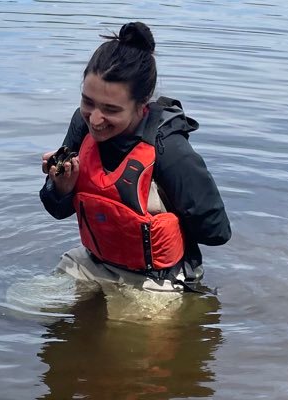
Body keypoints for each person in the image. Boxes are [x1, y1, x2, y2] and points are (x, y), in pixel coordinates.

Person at [40, 21, 231, 297]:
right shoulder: (82, 127)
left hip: (157, 279)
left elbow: (217, 231)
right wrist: (61, 187)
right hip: (93, 262)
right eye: (88, 102)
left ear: (142, 106)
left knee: (124, 340)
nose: (95, 119)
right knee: (23, 306)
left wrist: (159, 218)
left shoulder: (170, 150)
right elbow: (57, 209)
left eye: (111, 109)